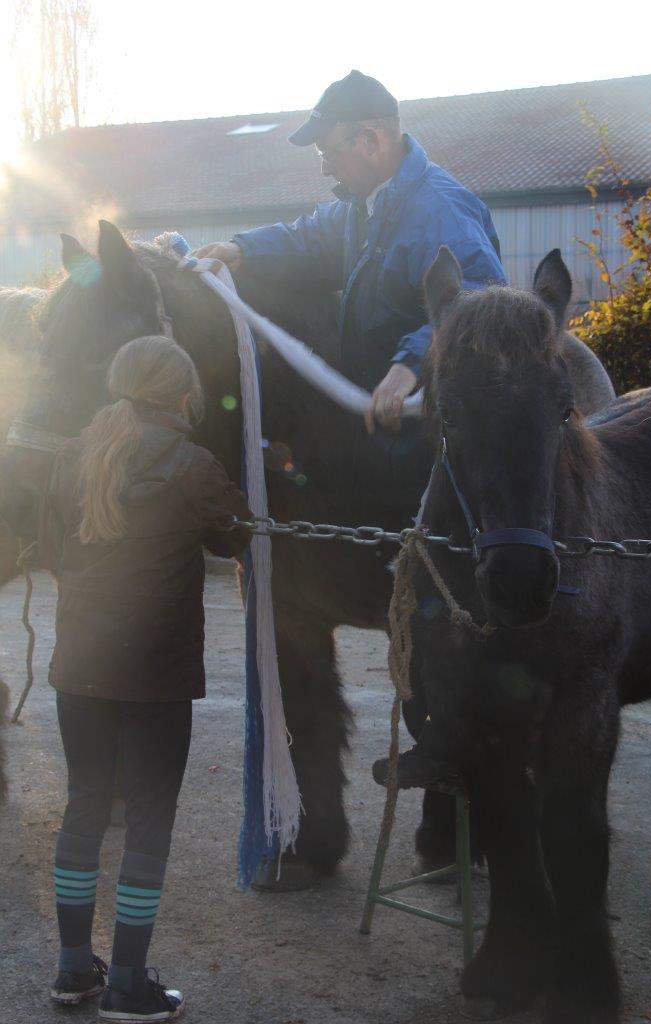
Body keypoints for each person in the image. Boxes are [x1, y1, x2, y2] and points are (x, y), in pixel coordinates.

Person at [45, 336, 251, 1021]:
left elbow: (51, 545)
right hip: (155, 677)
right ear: (182, 394)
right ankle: (129, 985)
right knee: (148, 823)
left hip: (79, 669)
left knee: (84, 808)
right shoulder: (192, 465)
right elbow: (235, 536)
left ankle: (75, 971)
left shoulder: (76, 455)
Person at [197, 69, 506, 433]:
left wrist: (409, 366)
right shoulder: (363, 207)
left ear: (370, 140)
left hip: (431, 429)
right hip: (376, 415)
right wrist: (241, 250)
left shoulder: (442, 213)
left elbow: (479, 306)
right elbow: (308, 239)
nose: (326, 169)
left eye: (328, 153)